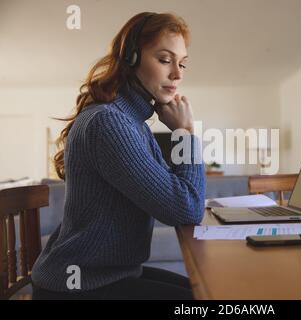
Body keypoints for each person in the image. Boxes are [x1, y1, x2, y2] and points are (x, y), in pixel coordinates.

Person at [31, 12, 205, 300]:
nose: (177, 73)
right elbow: (185, 209)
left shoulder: (129, 119)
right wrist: (185, 133)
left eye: (182, 63)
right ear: (131, 58)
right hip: (79, 287)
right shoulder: (109, 123)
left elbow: (176, 192)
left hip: (112, 274)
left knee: (206, 293)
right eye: (165, 60)